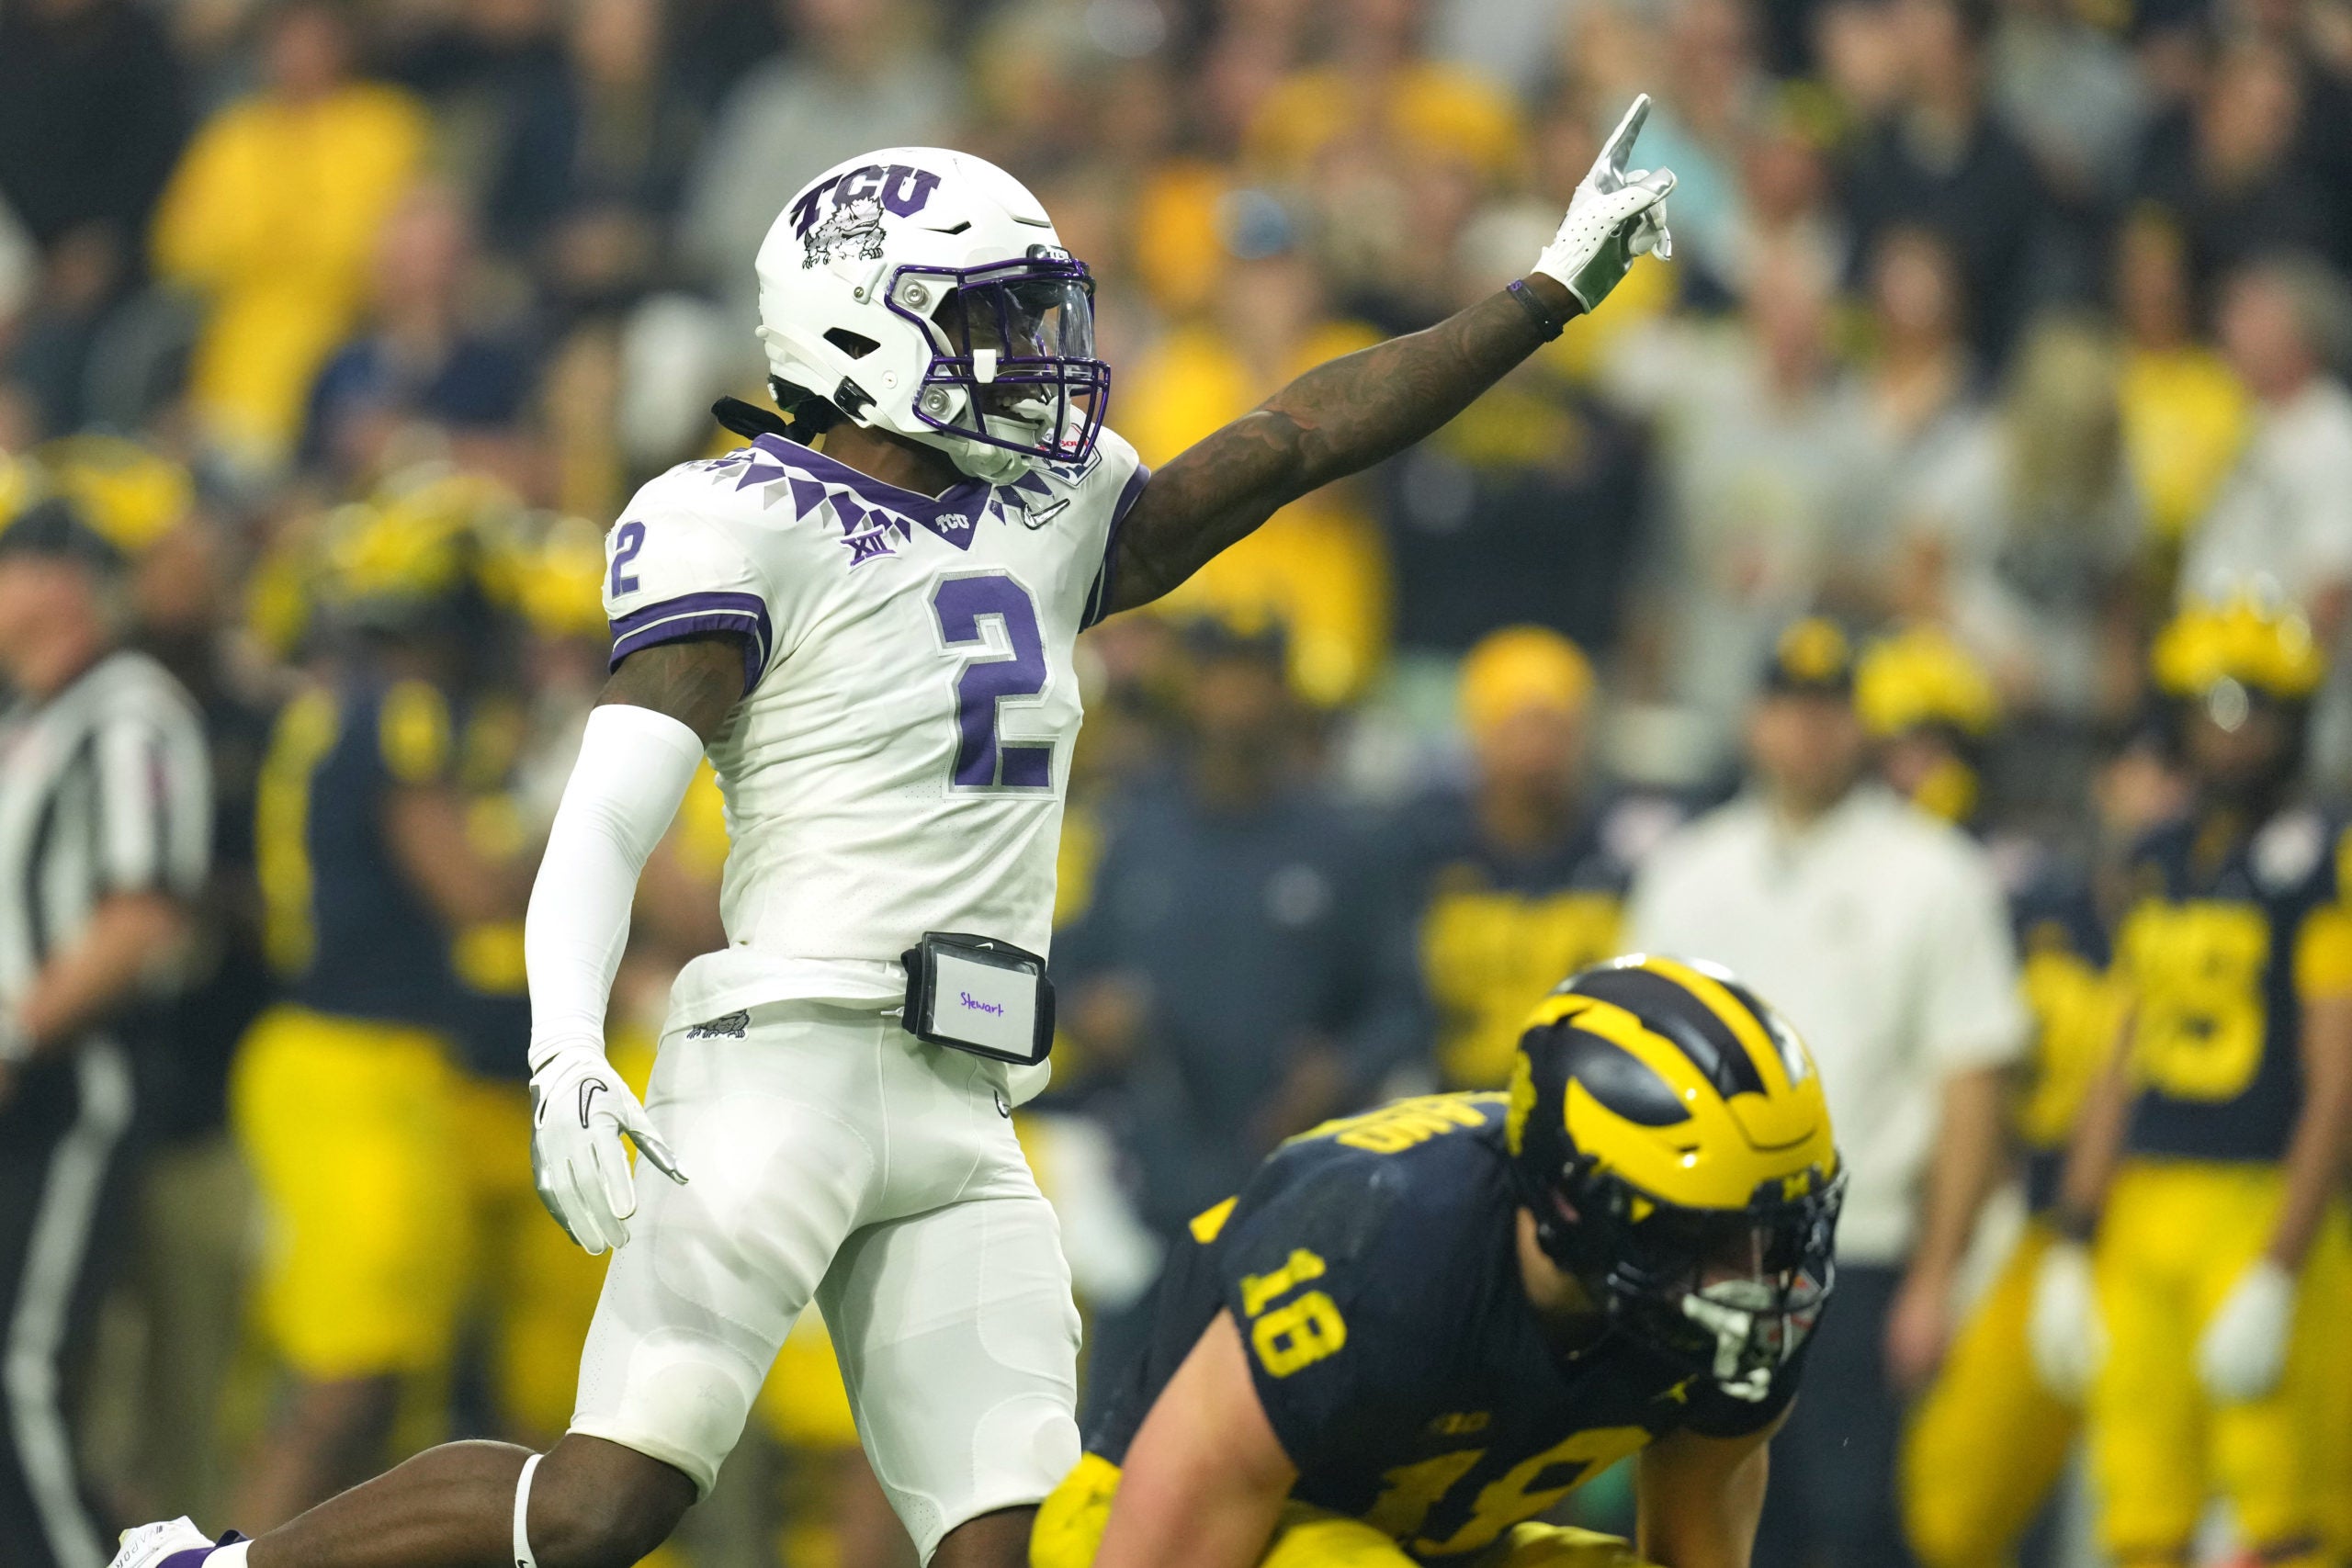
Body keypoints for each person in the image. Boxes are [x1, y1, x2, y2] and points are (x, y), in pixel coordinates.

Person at [111, 105, 1680, 1568]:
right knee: (605, 1506)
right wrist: (565, 1043)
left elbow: (1291, 437)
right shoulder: (736, 519)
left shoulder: (1049, 510)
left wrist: (1543, 288)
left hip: (966, 1100)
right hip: (778, 1065)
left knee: (1007, 1537)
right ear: (861, 327)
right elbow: (606, 811)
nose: (1040, 354)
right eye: (992, 317)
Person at [1031, 954, 1844, 1568]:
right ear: (1572, 1201)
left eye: (1776, 1229)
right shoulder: (1383, 1245)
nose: (1753, 1271)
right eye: (1704, 1232)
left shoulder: (1735, 1306)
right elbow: (1167, 1528)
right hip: (1154, 1522)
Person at [1627, 617, 2025, 1568]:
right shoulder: (1687, 871)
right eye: (1787, 707)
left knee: (1850, 1532)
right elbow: (1637, 1068)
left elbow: (1971, 1083)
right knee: (1700, 1523)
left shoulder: (1935, 873)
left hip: (1863, 1253)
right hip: (1706, 1253)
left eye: (1829, 708)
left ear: (1862, 723)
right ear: (1753, 721)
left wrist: (1938, 1273)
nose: (1807, 731)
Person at [225, 479, 560, 1527]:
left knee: (382, 1390)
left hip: (347, 1056)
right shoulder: (404, 708)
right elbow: (464, 889)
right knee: (346, 1383)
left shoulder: (338, 696)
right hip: (356, 1063)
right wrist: (585, 836)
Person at [2030, 596, 2352, 1568]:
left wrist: (2279, 1265)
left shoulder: (2323, 859)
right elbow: (2120, 1058)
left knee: (2281, 1509)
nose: (2232, 732)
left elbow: (2337, 1080)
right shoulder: (2160, 858)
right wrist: (2073, 1235)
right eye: (2212, 707)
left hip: (2260, 1198)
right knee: (2139, 1501)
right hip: (2140, 1202)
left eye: (2254, 706)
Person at [0, 491, 210, 1568]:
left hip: (75, 1079)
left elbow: (142, 915)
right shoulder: (29, 718)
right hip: (31, 1075)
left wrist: (16, 1036)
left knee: (22, 1373)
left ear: (58, 584)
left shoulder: (126, 709)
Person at [1407, 625, 1673, 1091]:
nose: (1537, 750)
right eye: (1519, 726)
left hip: (1591, 1103)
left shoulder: (1625, 848)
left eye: (1555, 727)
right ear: (1479, 733)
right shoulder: (1422, 847)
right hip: (1449, 1105)